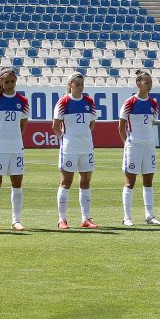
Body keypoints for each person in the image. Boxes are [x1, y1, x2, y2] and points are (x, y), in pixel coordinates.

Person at [0, 68, 30, 231]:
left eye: (13, 81)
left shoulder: (23, 101)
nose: (10, 84)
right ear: (1, 82)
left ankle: (16, 220)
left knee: (17, 183)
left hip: (16, 147)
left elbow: (23, 123)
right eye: (7, 81)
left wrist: (14, 137)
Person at [53, 72, 99, 229]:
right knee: (66, 182)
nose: (80, 87)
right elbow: (55, 126)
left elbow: (92, 124)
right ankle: (62, 219)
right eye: (77, 84)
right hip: (69, 148)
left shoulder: (89, 102)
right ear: (70, 85)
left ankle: (86, 218)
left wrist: (84, 136)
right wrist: (65, 139)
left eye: (82, 84)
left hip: (86, 147)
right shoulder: (63, 102)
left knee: (86, 180)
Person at [119, 70, 160, 226]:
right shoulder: (129, 103)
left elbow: (151, 123)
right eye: (146, 82)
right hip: (134, 146)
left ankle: (149, 216)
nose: (150, 85)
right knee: (130, 182)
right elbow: (121, 126)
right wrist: (127, 143)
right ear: (138, 83)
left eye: (150, 82)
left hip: (149, 146)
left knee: (148, 181)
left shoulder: (153, 104)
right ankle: (127, 217)